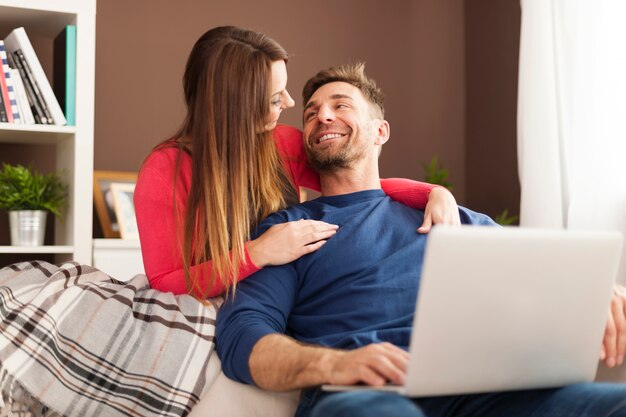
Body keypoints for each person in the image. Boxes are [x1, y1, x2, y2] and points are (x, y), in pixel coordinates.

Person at [216, 63, 626, 417]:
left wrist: (594, 293)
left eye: (340, 105)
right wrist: (333, 364)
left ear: (381, 131)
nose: (322, 116)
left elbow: (540, 274)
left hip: (483, 394)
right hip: (365, 396)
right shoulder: (289, 230)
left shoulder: (448, 215)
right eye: (310, 113)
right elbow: (242, 336)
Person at [133, 26, 460, 299]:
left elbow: (355, 185)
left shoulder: (282, 142)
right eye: (276, 98)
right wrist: (258, 253)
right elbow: (164, 281)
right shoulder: (165, 172)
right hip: (226, 307)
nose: (290, 103)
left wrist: (434, 192)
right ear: (236, 107)